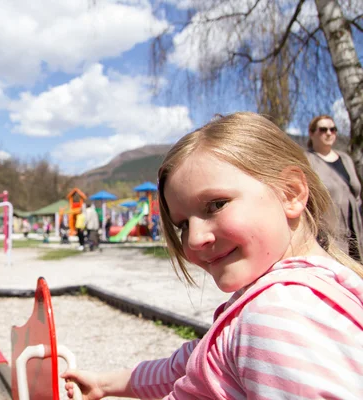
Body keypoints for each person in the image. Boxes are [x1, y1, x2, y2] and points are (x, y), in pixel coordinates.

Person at [63, 112, 363, 399]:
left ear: (290, 193)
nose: (193, 239)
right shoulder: (313, 290)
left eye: (216, 205)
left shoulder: (275, 317)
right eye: (182, 224)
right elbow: (191, 363)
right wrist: (103, 384)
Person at [306, 115, 363, 260]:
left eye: (333, 129)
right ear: (312, 133)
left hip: (357, 229)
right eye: (323, 129)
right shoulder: (307, 160)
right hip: (331, 236)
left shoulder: (345, 159)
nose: (329, 133)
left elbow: (356, 194)